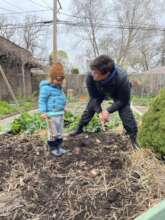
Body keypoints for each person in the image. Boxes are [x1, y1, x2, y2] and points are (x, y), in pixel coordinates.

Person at [71, 55, 139, 149]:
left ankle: (133, 138)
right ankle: (79, 128)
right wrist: (99, 112)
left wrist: (108, 111)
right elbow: (94, 97)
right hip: (99, 91)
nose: (92, 73)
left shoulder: (122, 78)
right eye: (92, 71)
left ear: (106, 73)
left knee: (125, 112)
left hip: (118, 93)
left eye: (95, 73)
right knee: (90, 107)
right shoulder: (90, 76)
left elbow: (123, 100)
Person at [38, 63, 67, 156]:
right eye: (57, 79)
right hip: (51, 115)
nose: (59, 82)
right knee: (52, 132)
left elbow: (62, 98)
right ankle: (53, 148)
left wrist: (64, 107)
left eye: (61, 80)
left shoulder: (60, 88)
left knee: (60, 132)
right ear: (51, 78)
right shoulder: (46, 88)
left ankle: (59, 147)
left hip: (60, 114)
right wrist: (43, 112)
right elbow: (42, 100)